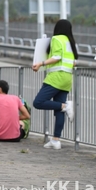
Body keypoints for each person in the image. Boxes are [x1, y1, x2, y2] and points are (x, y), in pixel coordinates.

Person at [32, 19, 77, 150]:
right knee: (59, 111)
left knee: (38, 102)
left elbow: (57, 57)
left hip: (56, 77)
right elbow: (74, 62)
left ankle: (66, 105)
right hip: (67, 79)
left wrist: (41, 63)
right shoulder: (70, 42)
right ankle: (56, 140)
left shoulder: (56, 39)